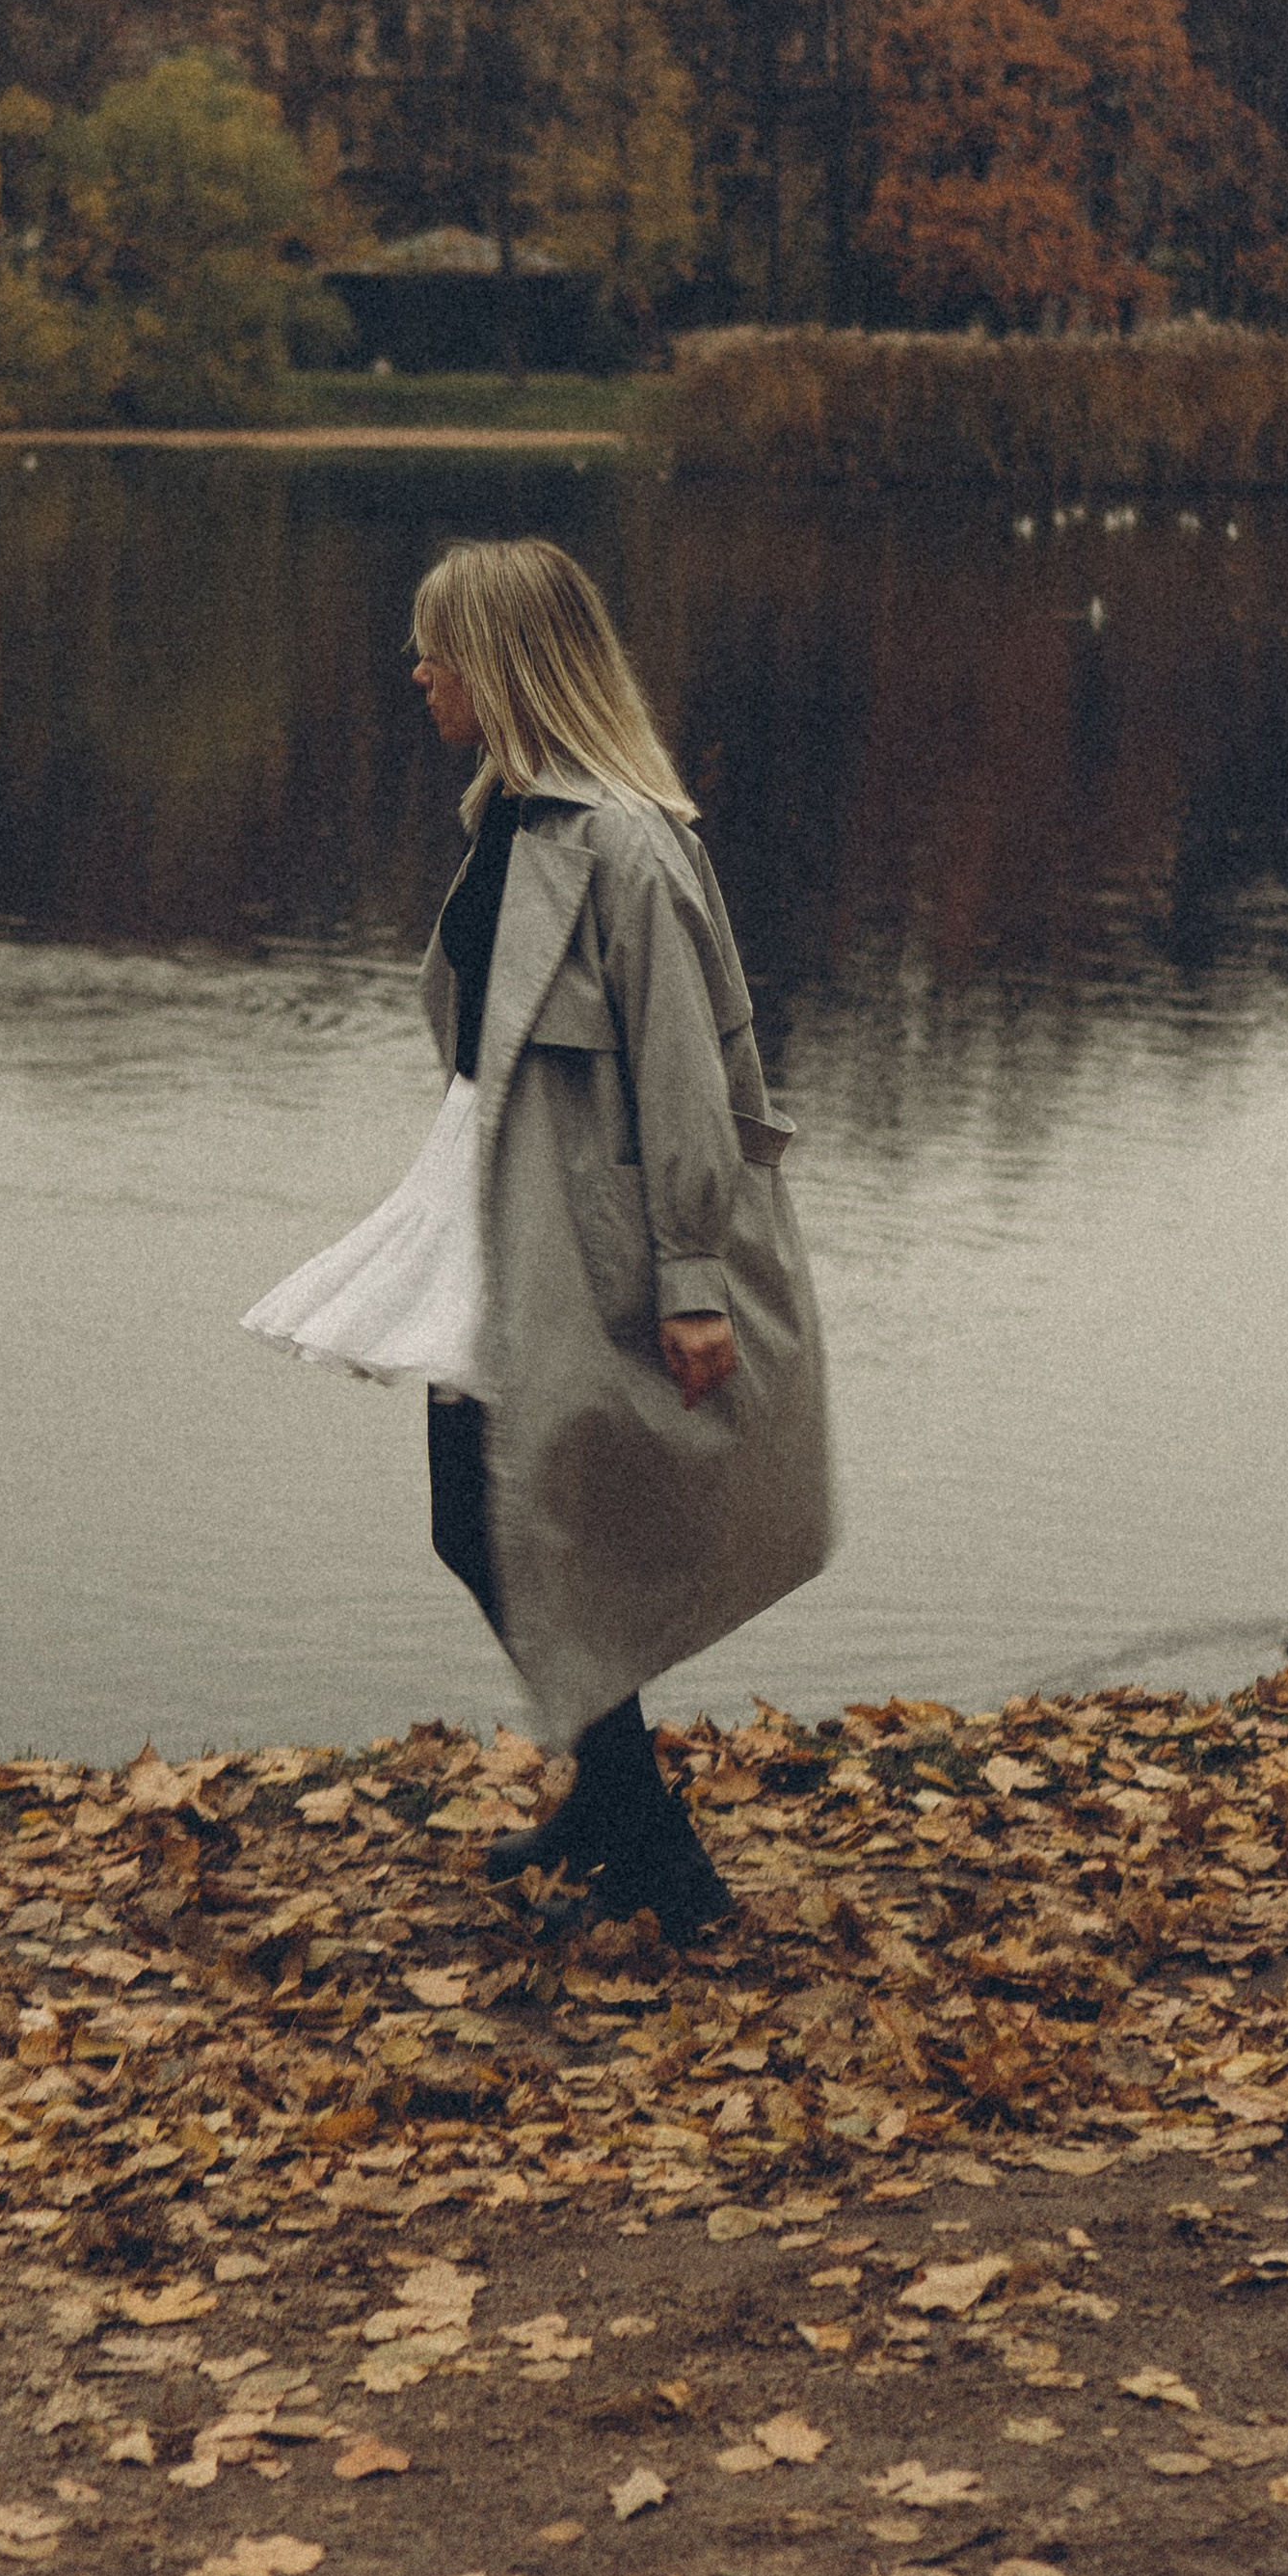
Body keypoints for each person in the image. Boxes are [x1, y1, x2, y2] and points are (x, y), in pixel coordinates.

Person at [244, 536, 832, 1940]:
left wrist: (693, 1281)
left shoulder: (627, 845)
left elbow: (694, 1073)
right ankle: (618, 1810)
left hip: (590, 1233)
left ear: (500, 666)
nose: (417, 671)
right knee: (478, 1509)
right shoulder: (511, 822)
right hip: (490, 1203)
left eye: (435, 646)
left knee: (505, 1508)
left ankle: (655, 1857)